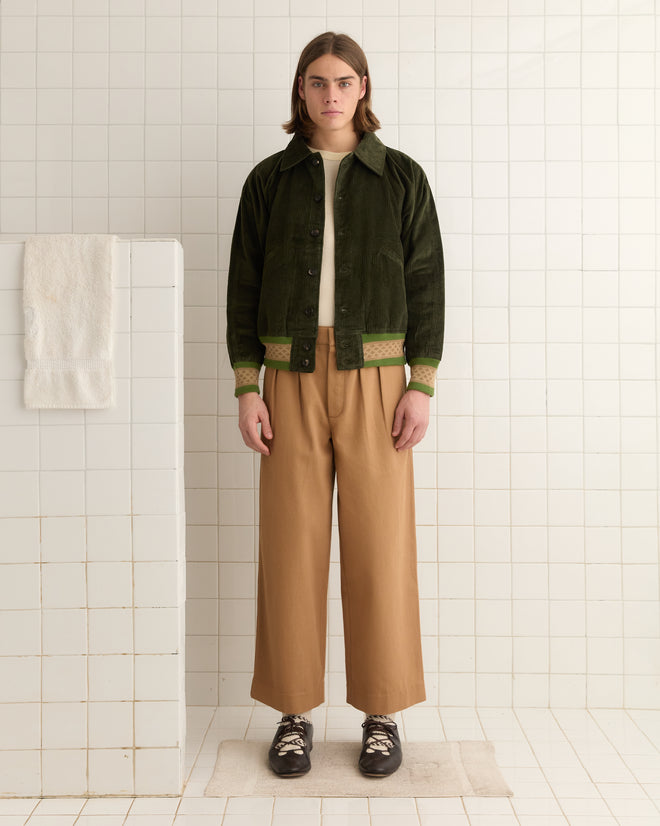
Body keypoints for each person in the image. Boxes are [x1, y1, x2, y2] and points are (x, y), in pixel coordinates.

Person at [226, 31, 444, 779]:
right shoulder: (268, 181)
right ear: (300, 91)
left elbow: (427, 285)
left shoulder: (402, 178)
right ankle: (294, 715)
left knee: (379, 545)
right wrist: (246, 385)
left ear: (364, 89)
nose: (330, 95)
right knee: (291, 546)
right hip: (287, 376)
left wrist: (422, 381)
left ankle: (381, 714)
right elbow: (242, 289)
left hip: (378, 376)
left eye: (343, 82)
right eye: (316, 82)